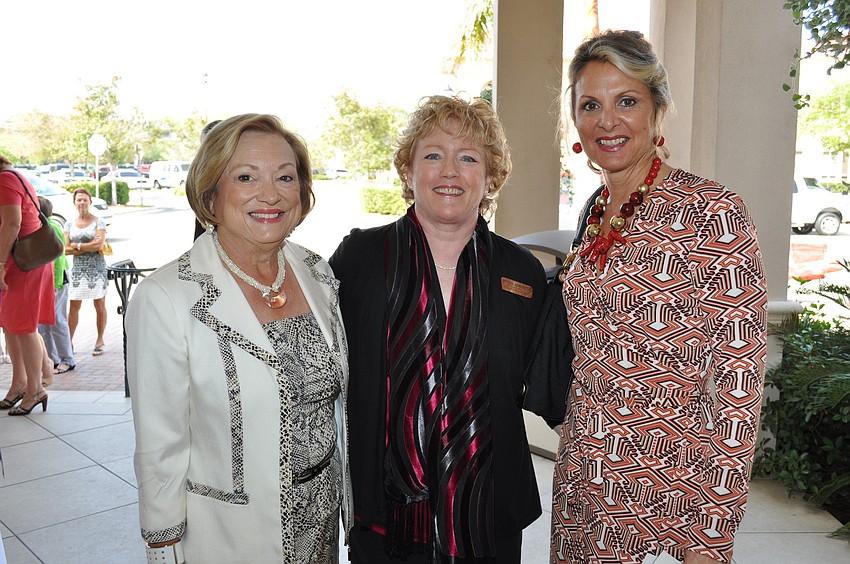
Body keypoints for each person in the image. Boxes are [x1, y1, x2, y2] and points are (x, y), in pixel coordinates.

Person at [550, 30, 767, 564]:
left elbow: (739, 386)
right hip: (585, 488)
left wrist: (712, 532)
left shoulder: (711, 213)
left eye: (627, 101)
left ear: (657, 108)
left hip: (670, 502)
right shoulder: (595, 211)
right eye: (590, 105)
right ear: (575, 120)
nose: (607, 121)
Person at [329, 95, 547, 563]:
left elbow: (550, 381)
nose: (450, 171)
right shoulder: (359, 259)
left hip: (490, 518)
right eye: (433, 155)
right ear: (408, 171)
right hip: (386, 522)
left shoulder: (522, 272)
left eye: (468, 157)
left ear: (490, 177)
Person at [127, 113, 351, 563]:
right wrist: (163, 543)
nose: (269, 194)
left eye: (285, 177)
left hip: (320, 523)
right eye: (245, 177)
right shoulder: (166, 297)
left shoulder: (317, 272)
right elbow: (159, 442)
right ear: (211, 192)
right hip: (230, 535)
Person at [0, 155, 54, 415]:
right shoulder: (13, 177)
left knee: (23, 326)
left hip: (24, 263)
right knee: (11, 324)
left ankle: (36, 389)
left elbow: (12, 224)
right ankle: (20, 383)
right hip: (22, 261)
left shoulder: (5, 181)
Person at [63, 188, 108, 356]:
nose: (82, 202)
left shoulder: (99, 222)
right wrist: (87, 247)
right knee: (74, 305)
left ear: (90, 202)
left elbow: (99, 246)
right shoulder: (69, 224)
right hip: (78, 270)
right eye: (78, 200)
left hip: (96, 269)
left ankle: (100, 339)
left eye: (85, 200)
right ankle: (68, 342)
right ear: (74, 203)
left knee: (99, 304)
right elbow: (65, 249)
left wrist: (78, 245)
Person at [37, 196, 76, 375]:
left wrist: (56, 283)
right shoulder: (44, 227)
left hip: (57, 280)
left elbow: (59, 257)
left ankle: (67, 359)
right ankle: (52, 359)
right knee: (43, 321)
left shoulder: (51, 227)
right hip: (47, 280)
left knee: (57, 320)